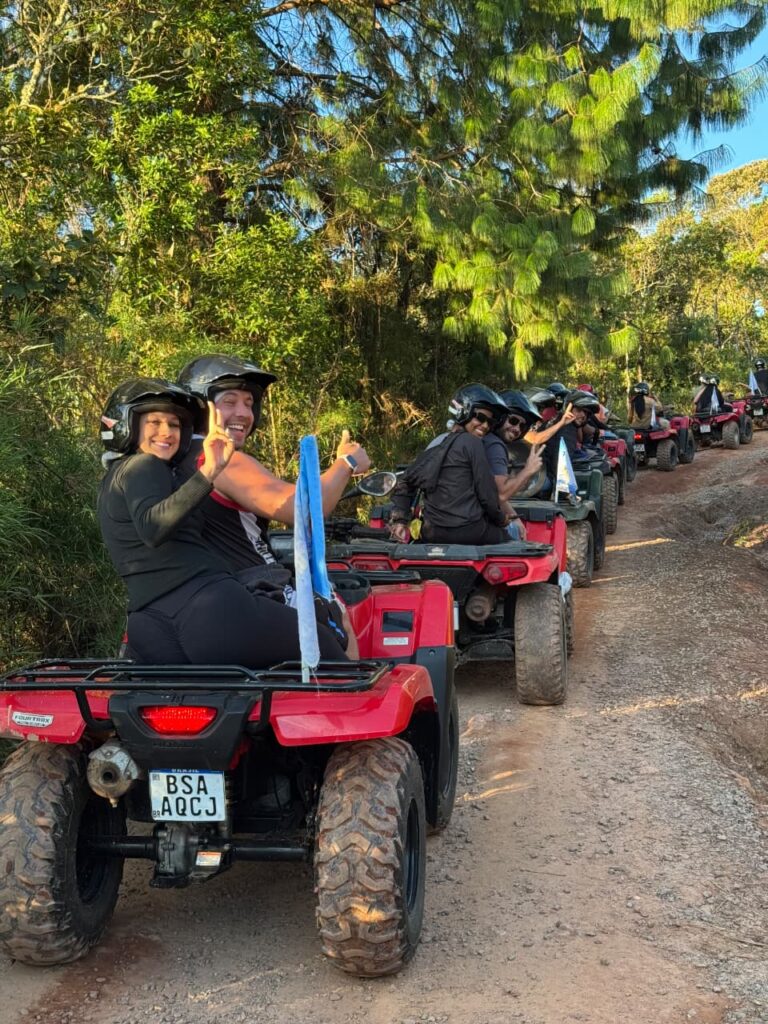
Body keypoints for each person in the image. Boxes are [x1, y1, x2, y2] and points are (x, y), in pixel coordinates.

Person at [98, 378, 348, 667]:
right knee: (323, 642)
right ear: (126, 425)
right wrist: (209, 472)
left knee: (201, 691)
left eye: (175, 424)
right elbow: (153, 528)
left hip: (147, 622)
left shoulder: (111, 481)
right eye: (154, 422)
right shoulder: (146, 464)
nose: (166, 432)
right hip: (208, 608)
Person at [176, 354, 368, 656]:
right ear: (201, 407)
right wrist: (347, 463)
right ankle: (348, 683)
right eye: (229, 402)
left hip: (203, 596)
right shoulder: (223, 461)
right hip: (257, 587)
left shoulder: (174, 460)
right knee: (337, 615)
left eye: (249, 403)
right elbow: (303, 510)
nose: (243, 413)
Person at [388, 384, 510, 545]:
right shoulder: (473, 443)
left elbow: (405, 481)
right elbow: (487, 495)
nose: (486, 426)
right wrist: (501, 519)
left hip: (432, 533)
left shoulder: (438, 448)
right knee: (512, 534)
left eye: (490, 422)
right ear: (464, 413)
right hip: (470, 532)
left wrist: (400, 520)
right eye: (480, 418)